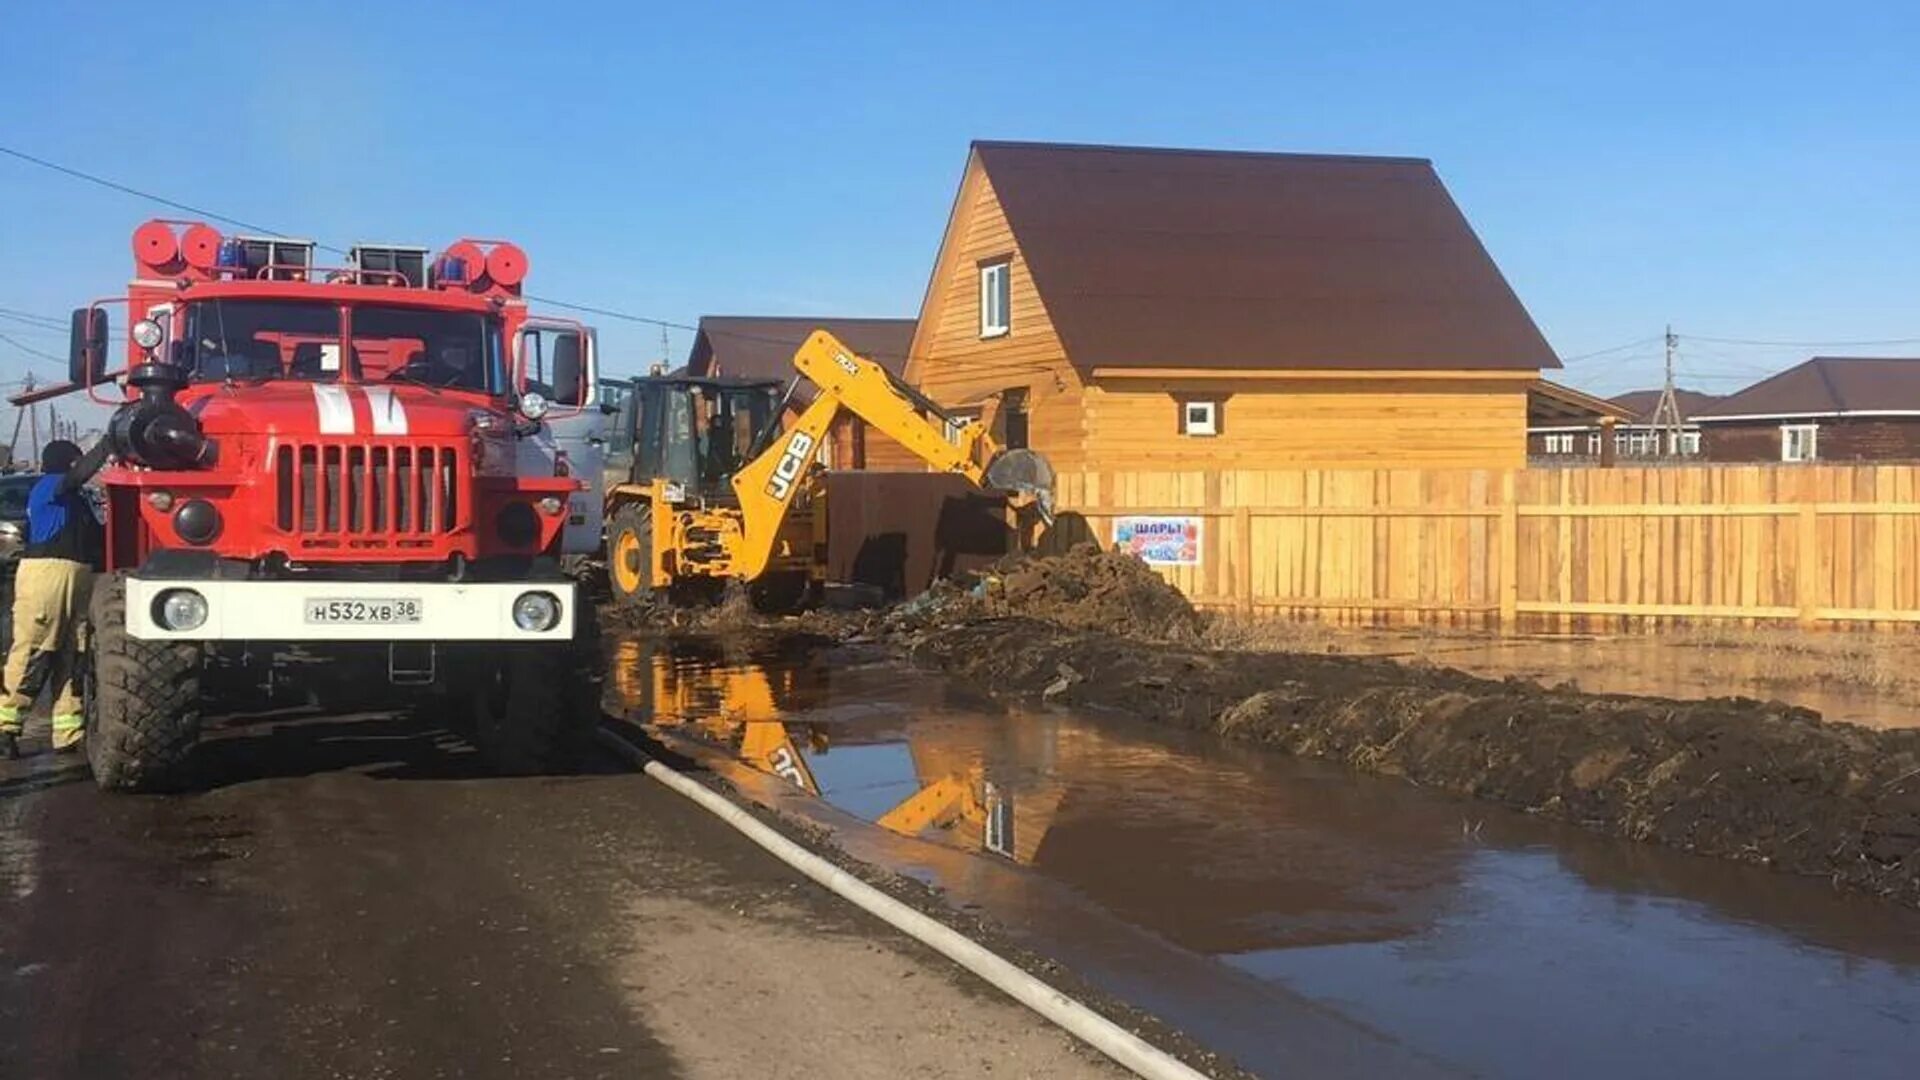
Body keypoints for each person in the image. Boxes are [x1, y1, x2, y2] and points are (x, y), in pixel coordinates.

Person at [0, 438, 111, 758]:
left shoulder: (77, 500)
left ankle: (67, 731)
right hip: (47, 575)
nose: (82, 467)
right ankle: (6, 727)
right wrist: (107, 445)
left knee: (72, 656)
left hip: (78, 578)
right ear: (66, 463)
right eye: (76, 461)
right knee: (34, 651)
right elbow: (75, 476)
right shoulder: (49, 487)